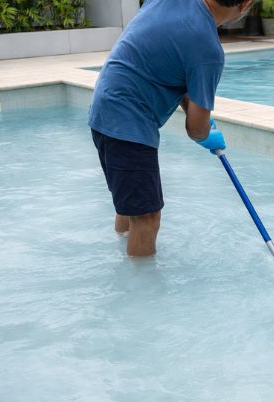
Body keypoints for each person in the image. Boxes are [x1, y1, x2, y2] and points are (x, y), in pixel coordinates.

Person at [88, 0, 253, 257]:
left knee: (130, 206)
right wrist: (207, 134)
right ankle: (141, 290)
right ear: (246, 4)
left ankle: (121, 250)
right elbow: (196, 130)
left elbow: (169, 64)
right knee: (147, 218)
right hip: (129, 120)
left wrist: (195, 108)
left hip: (105, 105)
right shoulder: (208, 49)